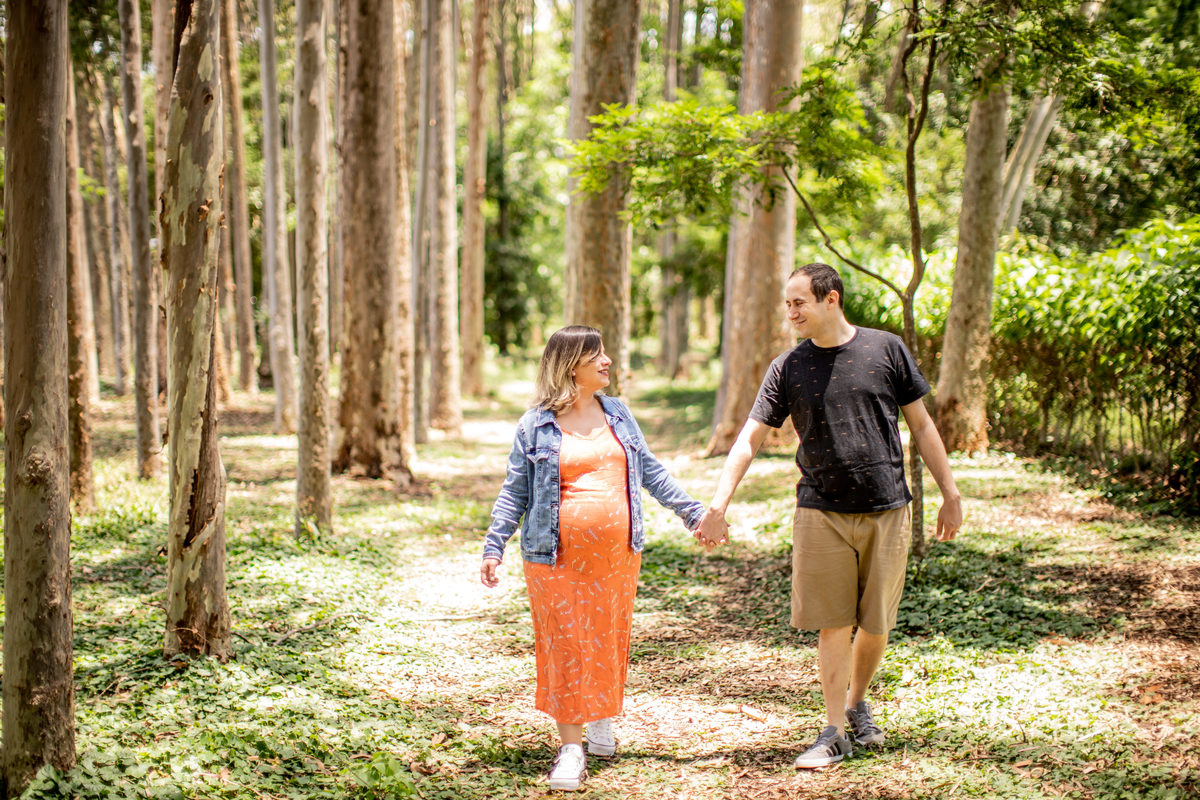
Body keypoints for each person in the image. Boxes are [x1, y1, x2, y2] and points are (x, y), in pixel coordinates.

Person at [695, 263, 963, 769]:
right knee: (834, 623)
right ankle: (834, 730)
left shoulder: (886, 349)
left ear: (831, 300)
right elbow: (749, 440)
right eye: (787, 303)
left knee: (876, 621)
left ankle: (858, 702)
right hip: (821, 510)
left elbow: (923, 426)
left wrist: (949, 492)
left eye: (799, 302)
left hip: (887, 505)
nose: (791, 311)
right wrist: (717, 504)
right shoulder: (788, 367)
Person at [481, 325, 724, 791]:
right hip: (553, 557)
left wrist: (694, 514)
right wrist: (495, 544)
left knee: (606, 636)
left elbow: (650, 471)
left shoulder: (617, 413)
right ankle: (571, 747)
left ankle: (599, 719)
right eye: (597, 356)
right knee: (565, 642)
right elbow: (515, 491)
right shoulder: (536, 423)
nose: (607, 361)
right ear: (571, 365)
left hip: (617, 557)